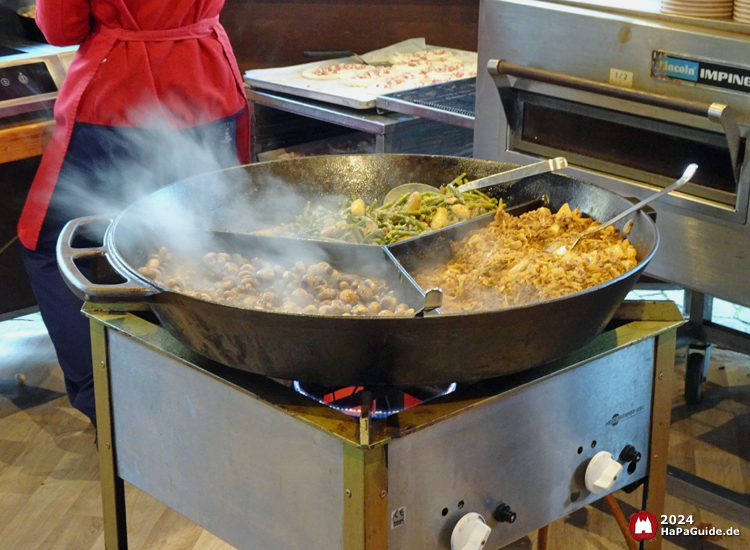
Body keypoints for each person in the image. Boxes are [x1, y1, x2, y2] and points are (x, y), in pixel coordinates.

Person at [17, 0, 250, 429]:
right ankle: (213, 389)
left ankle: (110, 404)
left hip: (121, 93)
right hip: (208, 80)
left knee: (53, 246)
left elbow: (60, 28)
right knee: (199, 240)